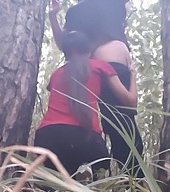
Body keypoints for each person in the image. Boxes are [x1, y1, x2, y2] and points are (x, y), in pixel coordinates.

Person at [48, 0, 145, 178]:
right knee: (121, 126)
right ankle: (132, 181)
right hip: (109, 54)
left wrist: (53, 16)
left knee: (80, 119)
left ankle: (93, 174)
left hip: (85, 65)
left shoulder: (75, 12)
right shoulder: (110, 4)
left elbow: (65, 44)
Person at [34, 31, 138, 180]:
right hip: (85, 139)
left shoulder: (56, 74)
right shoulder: (100, 66)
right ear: (89, 50)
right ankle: (84, 169)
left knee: (60, 182)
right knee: (99, 172)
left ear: (67, 52)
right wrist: (132, 75)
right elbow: (130, 102)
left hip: (47, 137)